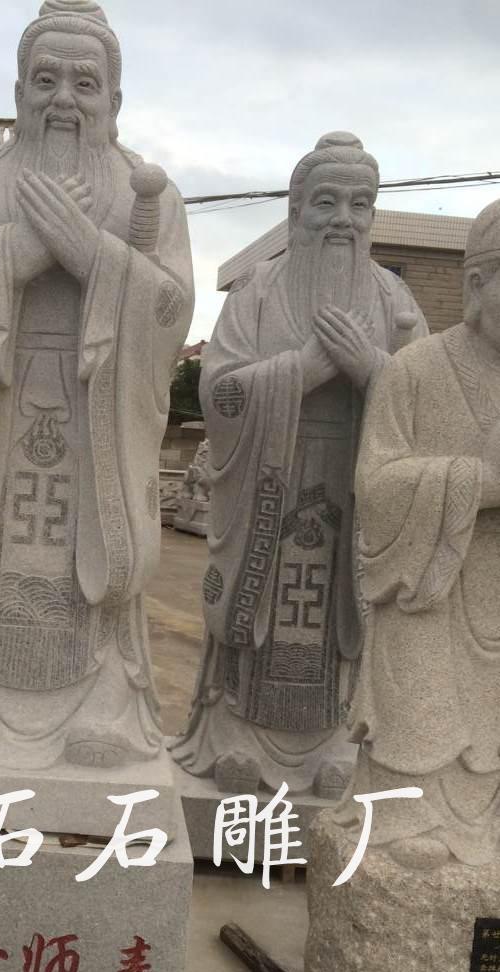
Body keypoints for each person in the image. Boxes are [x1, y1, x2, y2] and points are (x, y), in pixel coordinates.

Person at [0, 0, 193, 770]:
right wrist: (22, 249)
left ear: (114, 100)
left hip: (97, 411)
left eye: (85, 83)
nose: (65, 99)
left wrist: (93, 254)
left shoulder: (147, 195)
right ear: (20, 91)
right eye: (46, 80)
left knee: (85, 551)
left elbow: (170, 310)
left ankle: (104, 702)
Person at [172, 133, 427, 799]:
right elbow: (220, 391)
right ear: (296, 211)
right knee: (258, 607)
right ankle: (237, 735)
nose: (344, 219)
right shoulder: (257, 293)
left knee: (338, 618)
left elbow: (423, 407)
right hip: (269, 481)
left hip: (351, 483)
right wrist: (301, 371)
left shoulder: (394, 302)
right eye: (326, 202)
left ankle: (335, 743)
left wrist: (371, 369)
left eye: (360, 204)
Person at [335, 198, 500, 868]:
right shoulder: (417, 368)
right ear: (478, 284)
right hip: (425, 591)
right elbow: (375, 485)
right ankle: (408, 812)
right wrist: (477, 483)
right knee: (421, 698)